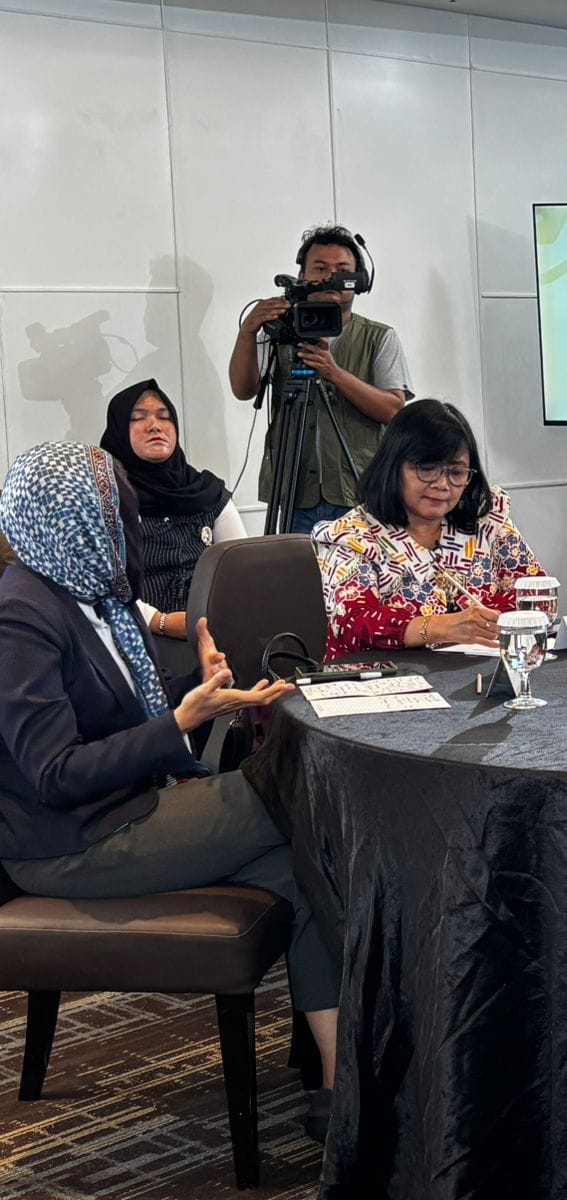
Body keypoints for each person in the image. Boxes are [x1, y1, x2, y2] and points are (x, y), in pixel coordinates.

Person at [0, 442, 340, 1139]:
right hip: (72, 843)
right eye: (113, 515)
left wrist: (198, 689)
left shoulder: (95, 593)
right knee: (301, 785)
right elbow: (56, 774)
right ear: (73, 522)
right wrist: (180, 723)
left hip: (133, 809)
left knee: (304, 867)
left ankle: (340, 1090)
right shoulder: (21, 618)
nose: (126, 529)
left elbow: (122, 712)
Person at [313, 398, 541, 658]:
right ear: (393, 467)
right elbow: (353, 623)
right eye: (427, 468)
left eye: (456, 473)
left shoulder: (486, 519)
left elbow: (535, 593)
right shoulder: (353, 535)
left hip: (478, 669)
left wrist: (478, 623)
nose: (442, 484)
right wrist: (441, 627)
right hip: (381, 676)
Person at [229, 224, 413, 533]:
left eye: (342, 270)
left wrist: (334, 373)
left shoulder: (379, 336)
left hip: (360, 491)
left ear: (359, 281)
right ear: (302, 276)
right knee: (295, 566)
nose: (331, 277)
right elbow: (243, 389)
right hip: (295, 490)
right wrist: (248, 332)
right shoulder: (281, 332)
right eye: (321, 268)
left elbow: (394, 409)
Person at [99, 379, 246, 641]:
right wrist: (160, 621)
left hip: (212, 632)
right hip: (134, 635)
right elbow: (99, 581)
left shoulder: (208, 492)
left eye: (164, 417)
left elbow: (242, 568)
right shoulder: (104, 498)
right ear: (119, 430)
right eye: (138, 418)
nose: (155, 425)